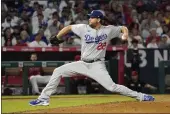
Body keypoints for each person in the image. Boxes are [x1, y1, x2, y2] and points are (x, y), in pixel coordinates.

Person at [29, 10, 155, 106]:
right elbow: (69, 27)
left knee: (111, 87)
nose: (90, 18)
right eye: (89, 17)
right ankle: (44, 98)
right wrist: (58, 37)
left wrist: (125, 35)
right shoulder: (83, 28)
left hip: (97, 65)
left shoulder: (108, 30)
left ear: (99, 19)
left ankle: (141, 96)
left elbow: (123, 28)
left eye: (92, 17)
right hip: (82, 63)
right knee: (58, 71)